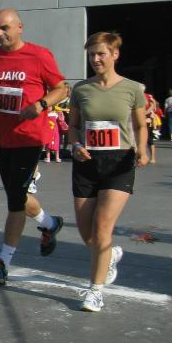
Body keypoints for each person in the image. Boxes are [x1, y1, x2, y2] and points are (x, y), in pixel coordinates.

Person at [0, 8, 68, 285]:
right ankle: (50, 224)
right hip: (3, 137)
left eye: (4, 28)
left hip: (29, 137)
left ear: (20, 27)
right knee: (16, 194)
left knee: (15, 200)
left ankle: (3, 264)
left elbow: (62, 88)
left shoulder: (39, 55)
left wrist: (41, 104)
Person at [68, 32, 148, 311]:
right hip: (87, 162)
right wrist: (76, 145)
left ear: (115, 54)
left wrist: (143, 148)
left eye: (101, 53)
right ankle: (109, 255)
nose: (95, 59)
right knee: (86, 232)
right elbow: (73, 126)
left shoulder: (132, 89)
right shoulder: (80, 89)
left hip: (119, 162)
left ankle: (95, 291)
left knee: (102, 227)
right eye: (91, 54)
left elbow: (140, 125)